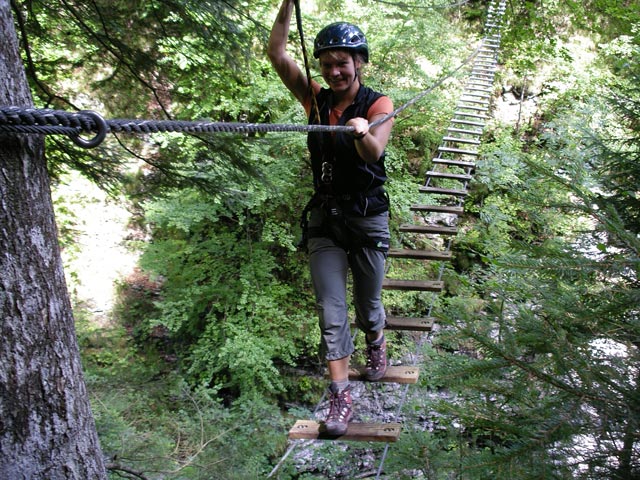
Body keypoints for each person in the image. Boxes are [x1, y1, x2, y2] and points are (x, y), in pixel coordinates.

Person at [268, 0, 394, 436]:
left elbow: (374, 151)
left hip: (366, 218)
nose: (334, 71)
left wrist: (361, 131)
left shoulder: (379, 103)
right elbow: (278, 55)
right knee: (331, 310)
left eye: (342, 62)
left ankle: (376, 342)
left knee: (367, 306)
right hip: (325, 219)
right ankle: (340, 398)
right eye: (326, 64)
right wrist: (287, 4)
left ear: (359, 63)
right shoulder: (314, 102)